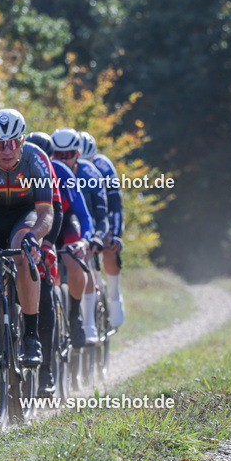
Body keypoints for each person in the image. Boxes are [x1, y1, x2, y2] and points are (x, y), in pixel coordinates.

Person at [0, 109, 52, 368]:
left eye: (13, 143)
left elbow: (46, 211)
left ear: (23, 141)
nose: (7, 150)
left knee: (23, 253)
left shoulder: (36, 159)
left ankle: (31, 336)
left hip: (24, 218)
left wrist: (36, 236)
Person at [24, 132, 93, 396]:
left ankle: (74, 313)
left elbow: (82, 213)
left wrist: (84, 241)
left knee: (66, 267)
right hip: (32, 224)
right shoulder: (17, 172)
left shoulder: (62, 172)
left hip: (62, 223)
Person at [49, 128, 107, 346]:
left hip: (67, 221)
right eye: (58, 155)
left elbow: (87, 215)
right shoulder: (37, 170)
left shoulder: (86, 174)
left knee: (77, 261)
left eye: (69, 154)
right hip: (45, 222)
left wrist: (88, 239)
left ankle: (77, 316)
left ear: (77, 153)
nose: (64, 159)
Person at [79, 131, 126, 328]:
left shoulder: (104, 167)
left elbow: (115, 204)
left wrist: (115, 235)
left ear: (94, 157)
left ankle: (114, 295)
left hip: (101, 214)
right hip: (79, 216)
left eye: (88, 160)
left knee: (109, 247)